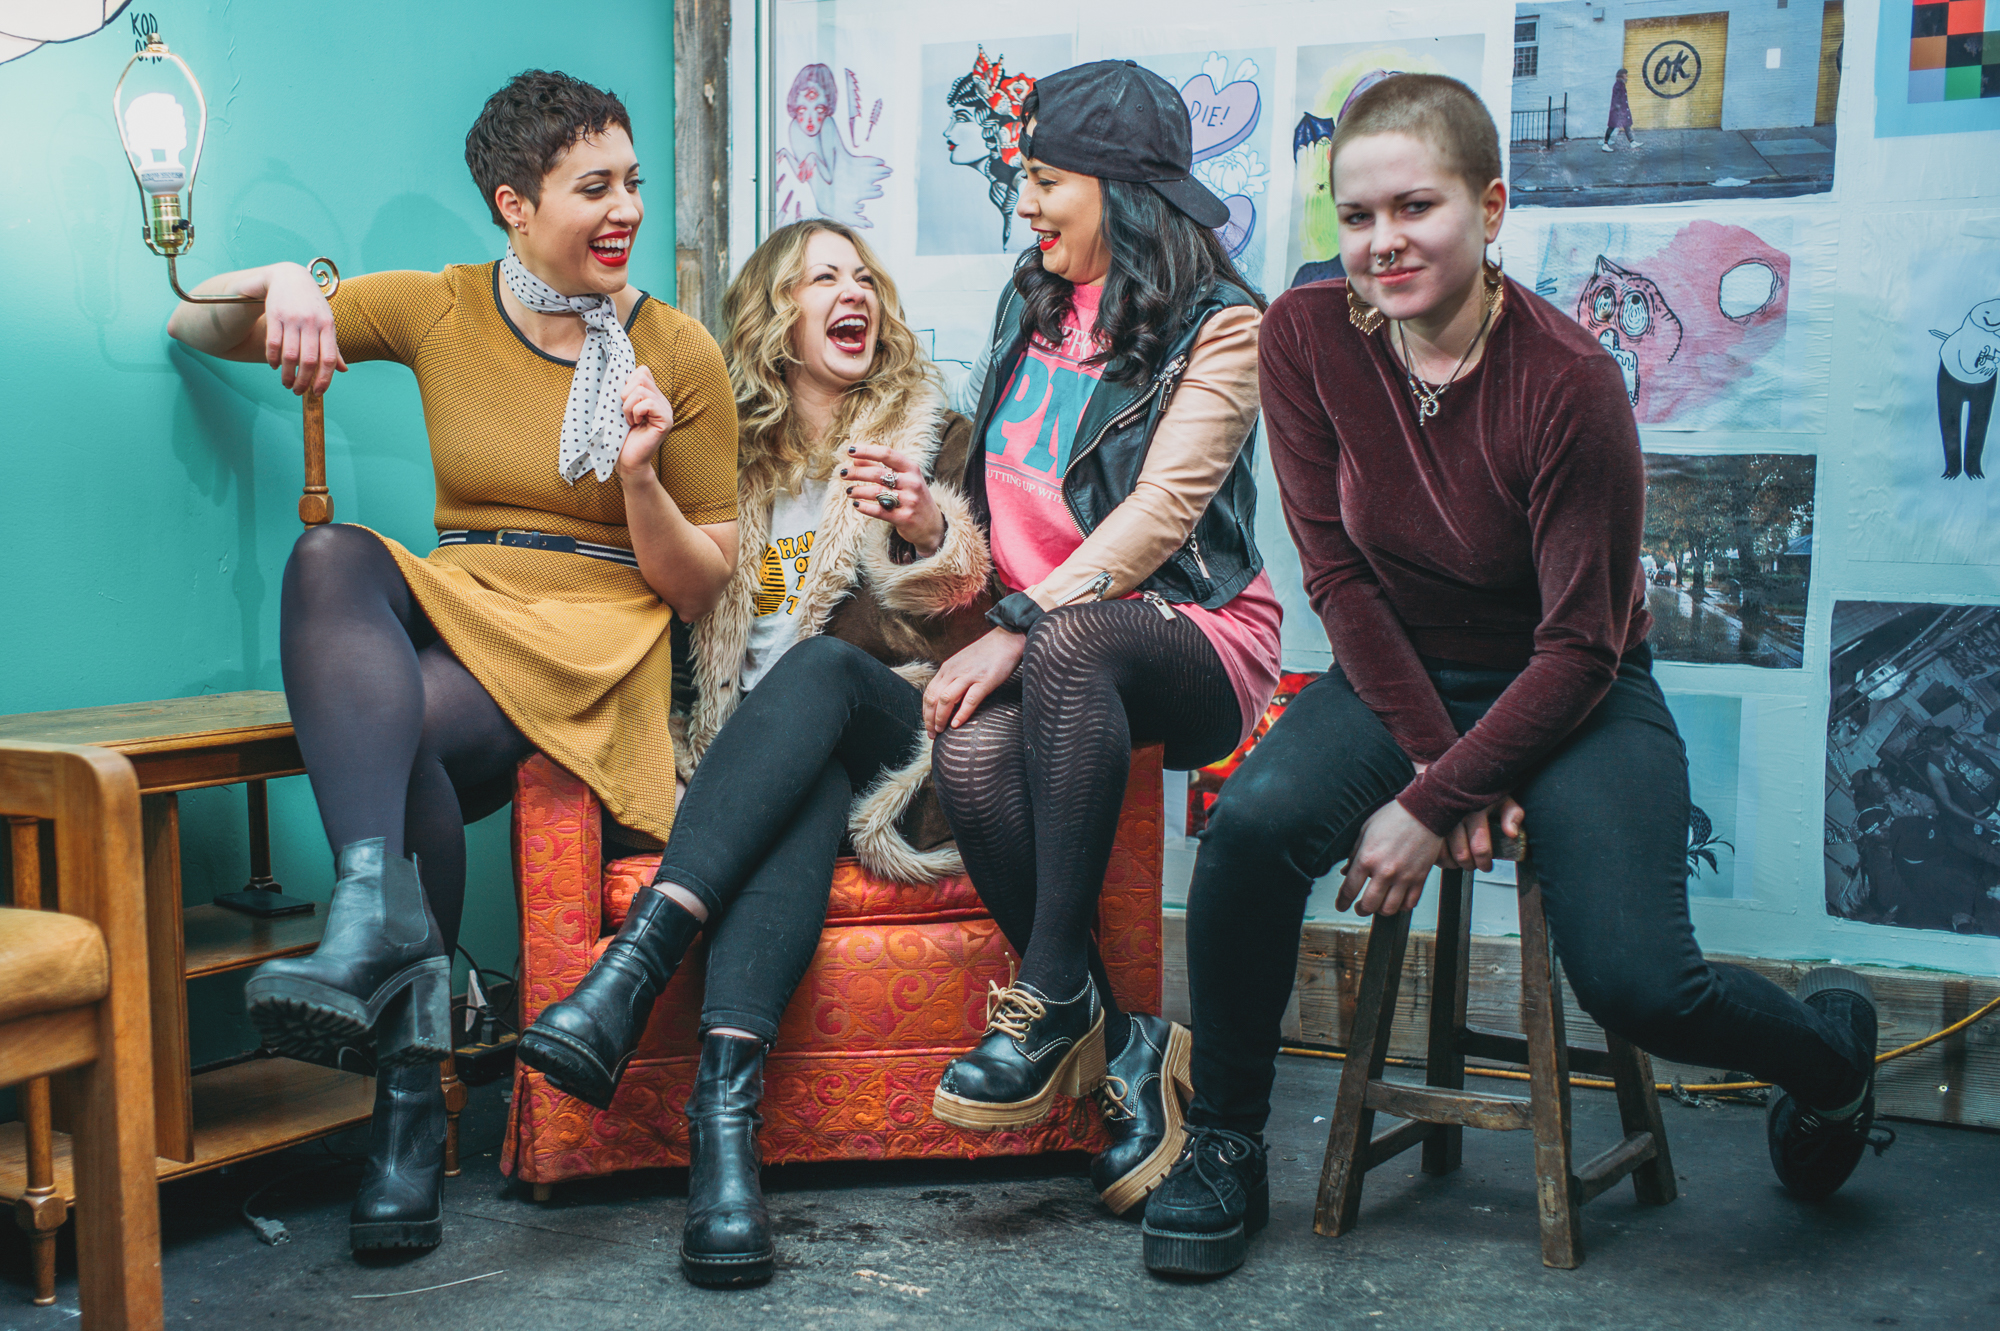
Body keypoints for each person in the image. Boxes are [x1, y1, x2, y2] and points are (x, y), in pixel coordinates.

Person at [1146, 73, 1884, 1279]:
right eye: (1357, 214)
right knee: (1252, 828)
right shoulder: (1306, 335)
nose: (1380, 242)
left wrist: (1432, 801)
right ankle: (1224, 1141)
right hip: (1401, 670)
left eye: (1415, 207)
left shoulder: (1569, 382)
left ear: (1490, 208)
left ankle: (1829, 1055)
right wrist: (1442, 768)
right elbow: (1336, 578)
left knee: (1640, 979)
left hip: (1577, 689)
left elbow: (1580, 647)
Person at [165, 71, 741, 1254]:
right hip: (465, 598)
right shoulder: (441, 306)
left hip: (593, 636)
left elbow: (702, 582)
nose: (625, 207)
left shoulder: (677, 352)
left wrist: (637, 474)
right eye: (594, 188)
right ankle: (384, 936)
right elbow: (192, 324)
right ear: (512, 204)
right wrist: (283, 282)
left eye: (631, 181)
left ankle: (402, 1106)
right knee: (328, 557)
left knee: (398, 741)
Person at [516, 218, 992, 1287]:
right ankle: (722, 1133)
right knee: (794, 776)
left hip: (900, 733)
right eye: (822, 276)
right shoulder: (726, 458)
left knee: (817, 674)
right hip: (763, 757)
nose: (850, 290)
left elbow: (981, 632)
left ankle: (630, 973)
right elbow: (666, 604)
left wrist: (924, 530)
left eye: (862, 275)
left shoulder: (932, 439)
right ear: (776, 319)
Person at [923, 60, 1283, 1220]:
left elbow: (1159, 514)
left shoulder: (1222, 325)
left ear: (1119, 190)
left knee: (1073, 647)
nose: (1022, 204)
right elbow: (1000, 483)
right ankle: (1119, 1035)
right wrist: (925, 521)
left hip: (1189, 631)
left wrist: (1021, 628)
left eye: (1041, 180)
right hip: (1052, 637)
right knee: (966, 748)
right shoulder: (1029, 297)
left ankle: (1040, 997)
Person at [1601, 68, 1638, 151]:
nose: (1627, 76)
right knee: (1612, 127)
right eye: (1625, 74)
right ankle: (1605, 144)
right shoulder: (1618, 85)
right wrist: (1619, 109)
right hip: (1618, 111)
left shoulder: (1621, 84)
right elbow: (1616, 99)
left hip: (1621, 110)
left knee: (1626, 125)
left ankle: (1632, 142)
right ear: (1621, 75)